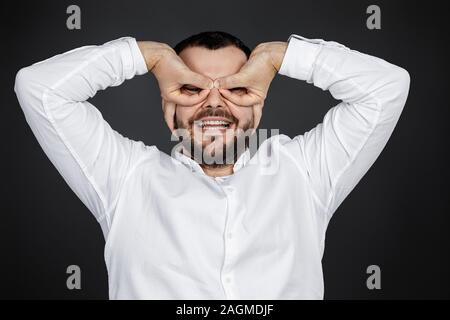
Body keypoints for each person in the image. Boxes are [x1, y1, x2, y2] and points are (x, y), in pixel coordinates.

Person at [14, 31, 410, 299]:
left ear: (259, 100)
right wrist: (150, 56)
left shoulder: (303, 172)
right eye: (192, 87)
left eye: (237, 88)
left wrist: (277, 56)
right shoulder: (125, 177)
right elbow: (39, 89)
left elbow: (387, 88)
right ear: (168, 100)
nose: (214, 103)